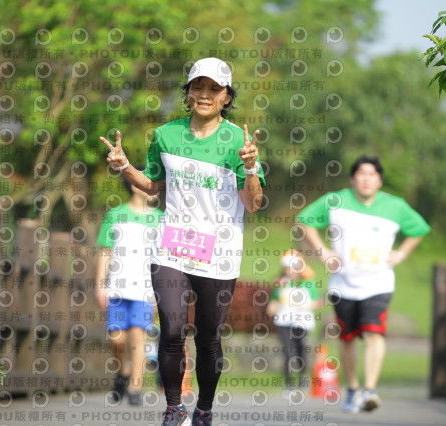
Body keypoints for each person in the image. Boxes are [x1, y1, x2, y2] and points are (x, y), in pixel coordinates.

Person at [100, 57, 266, 426]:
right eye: (198, 87)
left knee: (208, 338)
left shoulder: (239, 140)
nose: (204, 94)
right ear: (188, 92)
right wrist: (124, 166)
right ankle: (174, 408)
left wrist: (251, 168)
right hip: (171, 247)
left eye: (214, 89)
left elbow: (252, 203)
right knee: (172, 329)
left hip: (219, 251)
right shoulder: (166, 135)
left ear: (226, 96)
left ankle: (203, 409)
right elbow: (153, 187)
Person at [297, 155, 430, 413]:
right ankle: (353, 390)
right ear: (352, 178)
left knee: (373, 332)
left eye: (372, 174)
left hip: (378, 283)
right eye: (362, 173)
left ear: (379, 180)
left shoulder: (396, 206)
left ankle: (369, 390)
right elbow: (304, 221)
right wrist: (323, 252)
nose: (367, 179)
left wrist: (401, 253)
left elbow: (419, 229)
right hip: (343, 283)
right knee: (347, 338)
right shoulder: (336, 201)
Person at [95, 174, 163, 405]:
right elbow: (106, 251)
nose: (153, 188)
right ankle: (123, 370)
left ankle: (135, 387)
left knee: (138, 336)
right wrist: (100, 285)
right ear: (134, 186)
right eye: (148, 184)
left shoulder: (160, 219)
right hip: (117, 287)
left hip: (146, 289)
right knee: (116, 338)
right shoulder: (115, 214)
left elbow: (164, 259)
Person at [266, 250, 323, 394]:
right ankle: (288, 383)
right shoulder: (281, 282)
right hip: (284, 320)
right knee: (287, 351)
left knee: (300, 350)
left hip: (302, 321)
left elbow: (317, 302)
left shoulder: (308, 283)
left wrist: (304, 306)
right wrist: (272, 305)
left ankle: (303, 377)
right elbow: (275, 300)